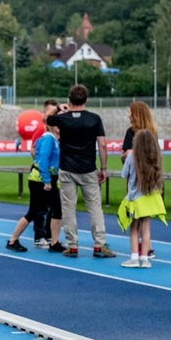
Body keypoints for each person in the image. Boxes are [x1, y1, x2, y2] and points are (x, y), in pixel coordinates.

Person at [46, 84, 115, 258]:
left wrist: (57, 108)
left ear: (69, 100)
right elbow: (102, 144)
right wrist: (104, 168)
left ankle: (72, 246)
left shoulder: (63, 118)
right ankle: (99, 245)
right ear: (86, 99)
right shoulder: (94, 119)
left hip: (67, 169)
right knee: (95, 208)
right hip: (88, 168)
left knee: (68, 208)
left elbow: (45, 118)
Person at [5, 115, 64, 253]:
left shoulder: (52, 139)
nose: (61, 129)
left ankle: (54, 242)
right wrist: (47, 181)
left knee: (55, 210)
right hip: (41, 180)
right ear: (51, 127)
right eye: (59, 126)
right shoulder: (48, 139)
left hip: (46, 178)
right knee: (35, 212)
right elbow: (43, 159)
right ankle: (13, 240)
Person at [118, 129, 166, 268]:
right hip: (150, 198)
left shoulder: (131, 157)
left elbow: (124, 175)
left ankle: (134, 257)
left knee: (134, 229)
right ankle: (145, 259)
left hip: (135, 199)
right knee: (146, 228)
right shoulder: (155, 157)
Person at [120, 101, 159, 259]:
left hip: (135, 181)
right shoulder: (153, 133)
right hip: (150, 180)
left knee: (135, 220)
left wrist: (126, 155)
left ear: (136, 114)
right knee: (146, 218)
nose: (128, 115)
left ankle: (136, 253)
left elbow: (127, 157)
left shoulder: (131, 132)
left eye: (130, 112)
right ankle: (146, 250)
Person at [30, 99, 60, 247]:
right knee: (40, 207)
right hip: (42, 173)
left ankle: (49, 235)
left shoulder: (58, 130)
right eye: (51, 111)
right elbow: (34, 151)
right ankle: (39, 235)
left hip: (53, 174)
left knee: (53, 206)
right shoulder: (42, 131)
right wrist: (43, 166)